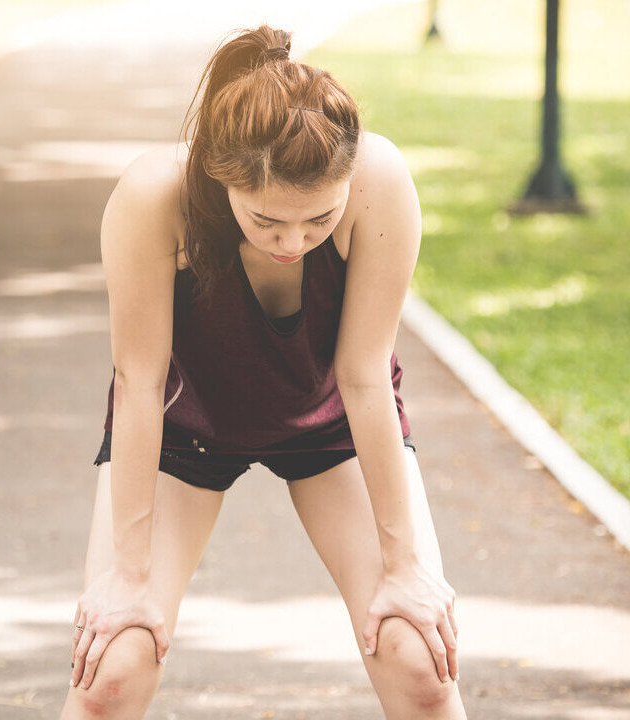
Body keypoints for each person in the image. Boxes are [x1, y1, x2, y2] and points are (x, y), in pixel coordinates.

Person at [60, 24, 467, 720]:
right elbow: (139, 384)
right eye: (268, 220)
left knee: (416, 656)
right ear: (223, 180)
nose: (293, 242)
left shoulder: (380, 180)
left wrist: (404, 570)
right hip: (183, 429)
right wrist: (127, 578)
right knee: (114, 668)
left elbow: (366, 375)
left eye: (318, 221)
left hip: (331, 419)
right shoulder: (156, 197)